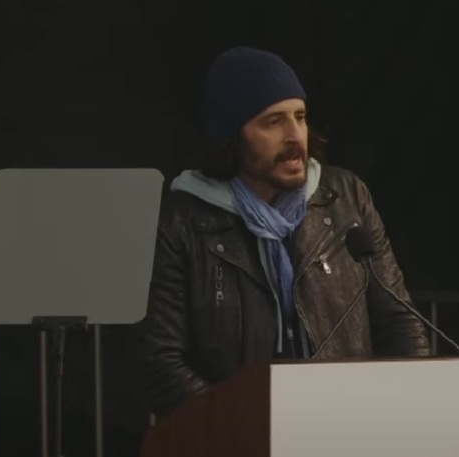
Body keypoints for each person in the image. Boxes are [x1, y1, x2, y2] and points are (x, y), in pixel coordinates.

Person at [141, 46, 430, 416]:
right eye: (273, 122)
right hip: (236, 445)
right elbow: (162, 360)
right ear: (232, 137)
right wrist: (245, 428)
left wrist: (402, 409)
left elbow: (399, 322)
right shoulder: (181, 220)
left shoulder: (344, 197)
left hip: (349, 427)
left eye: (300, 116)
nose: (296, 136)